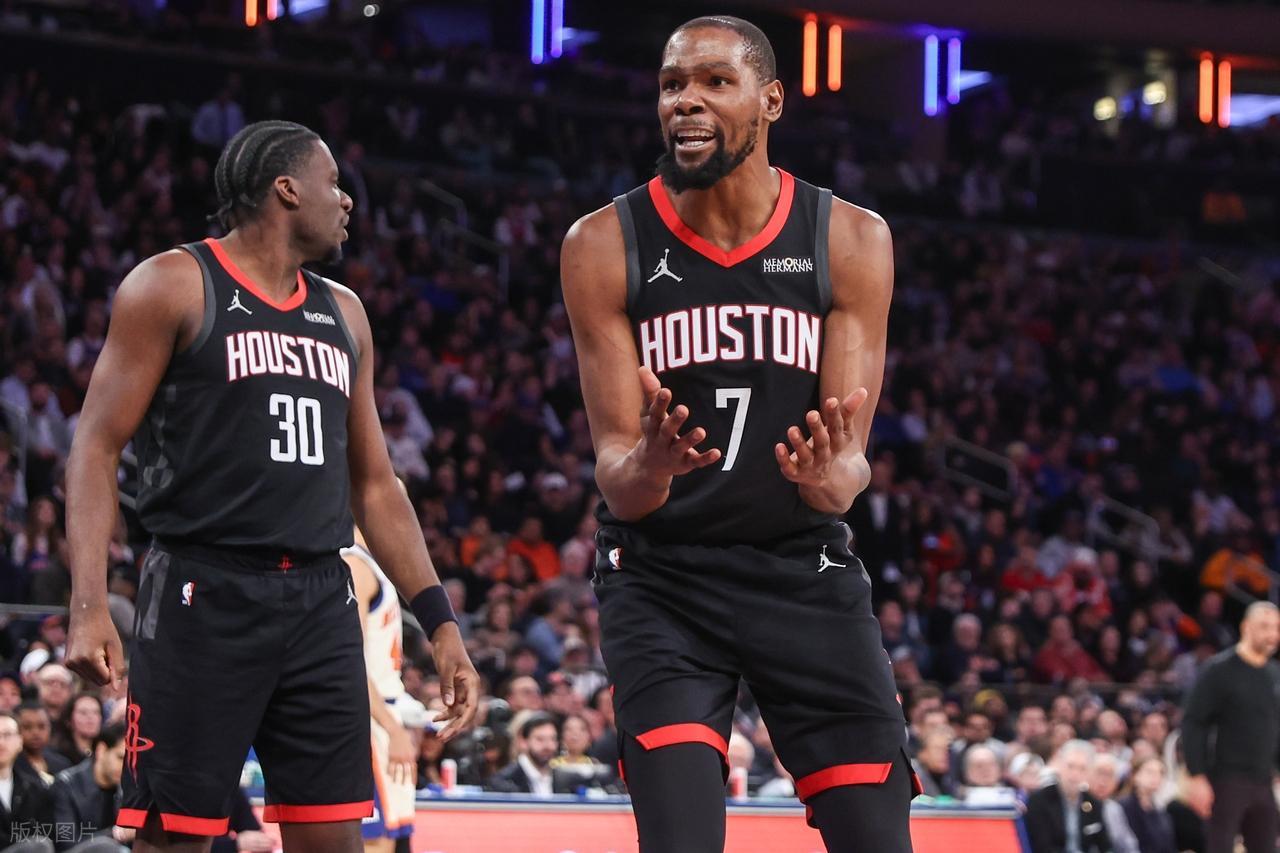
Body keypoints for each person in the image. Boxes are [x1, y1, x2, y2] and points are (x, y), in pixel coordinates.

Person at [63, 120, 480, 853]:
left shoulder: (344, 313)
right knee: (173, 840)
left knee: (336, 840)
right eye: (334, 183)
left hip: (320, 599)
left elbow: (376, 486)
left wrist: (440, 623)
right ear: (286, 189)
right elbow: (95, 446)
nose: (347, 201)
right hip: (203, 592)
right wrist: (90, 603)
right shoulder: (172, 284)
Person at [560, 15, 914, 853]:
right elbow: (619, 482)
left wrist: (828, 473)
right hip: (662, 577)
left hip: (800, 566)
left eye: (716, 81)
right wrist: (650, 463)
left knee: (876, 836)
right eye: (672, 84)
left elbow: (846, 474)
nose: (685, 101)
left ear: (772, 101)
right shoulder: (602, 243)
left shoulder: (850, 238)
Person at [344, 521, 421, 852]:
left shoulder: (371, 564)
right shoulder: (354, 565)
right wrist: (392, 728)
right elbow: (350, 660)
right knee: (375, 842)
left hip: (382, 714)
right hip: (369, 723)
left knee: (393, 837)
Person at [1181, 600, 1280, 853]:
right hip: (1226, 780)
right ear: (1246, 627)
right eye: (1265, 626)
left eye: (1277, 628)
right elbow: (1194, 721)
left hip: (1264, 781)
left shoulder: (1274, 674)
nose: (1273, 634)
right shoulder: (1218, 670)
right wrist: (1197, 775)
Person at [48, 723, 127, 852]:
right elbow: (68, 843)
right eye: (121, 757)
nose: (126, 767)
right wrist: (117, 833)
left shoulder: (127, 789)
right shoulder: (65, 786)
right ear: (101, 750)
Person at [1024, 740, 1113, 853]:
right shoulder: (1040, 800)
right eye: (1070, 766)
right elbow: (1042, 847)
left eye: (1082, 768)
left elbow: (1105, 844)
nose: (1075, 774)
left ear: (1089, 772)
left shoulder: (1093, 803)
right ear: (1059, 765)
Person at [0, 711, 54, 853]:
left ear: (20, 741)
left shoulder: (34, 788)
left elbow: (47, 833)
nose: (1, 742)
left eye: (7, 735)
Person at [486, 714, 576, 796]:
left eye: (552, 739)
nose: (548, 746)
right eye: (540, 739)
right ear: (523, 742)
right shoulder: (503, 782)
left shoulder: (569, 781)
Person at [1120, 756, 1177, 853]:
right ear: (1135, 775)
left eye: (1160, 773)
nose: (1156, 777)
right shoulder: (1123, 807)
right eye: (1150, 772)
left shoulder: (1160, 810)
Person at [14, 704, 69, 786]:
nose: (35, 733)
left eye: (41, 726)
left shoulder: (62, 764)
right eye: (27, 727)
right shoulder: (10, 765)